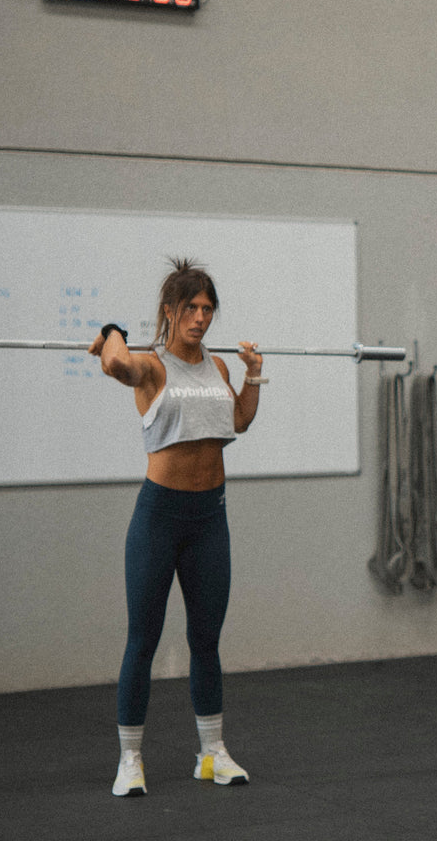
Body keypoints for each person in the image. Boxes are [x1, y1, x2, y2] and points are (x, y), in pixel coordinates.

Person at [89, 258, 265, 798]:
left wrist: (254, 373)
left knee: (206, 640)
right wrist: (112, 331)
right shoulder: (150, 367)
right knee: (142, 641)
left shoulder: (219, 368)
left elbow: (238, 421)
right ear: (170, 311)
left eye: (208, 308)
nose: (201, 318)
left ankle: (212, 752)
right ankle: (130, 759)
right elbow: (114, 364)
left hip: (210, 518)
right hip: (159, 518)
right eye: (191, 307)